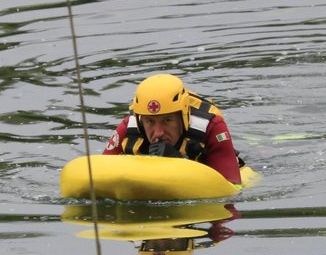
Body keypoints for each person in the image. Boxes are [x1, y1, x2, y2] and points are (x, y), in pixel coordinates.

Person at [103, 73, 242, 183]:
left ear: (183, 116)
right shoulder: (129, 127)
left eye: (167, 120)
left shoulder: (212, 126)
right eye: (150, 121)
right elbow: (100, 171)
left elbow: (233, 187)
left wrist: (177, 161)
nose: (158, 133)